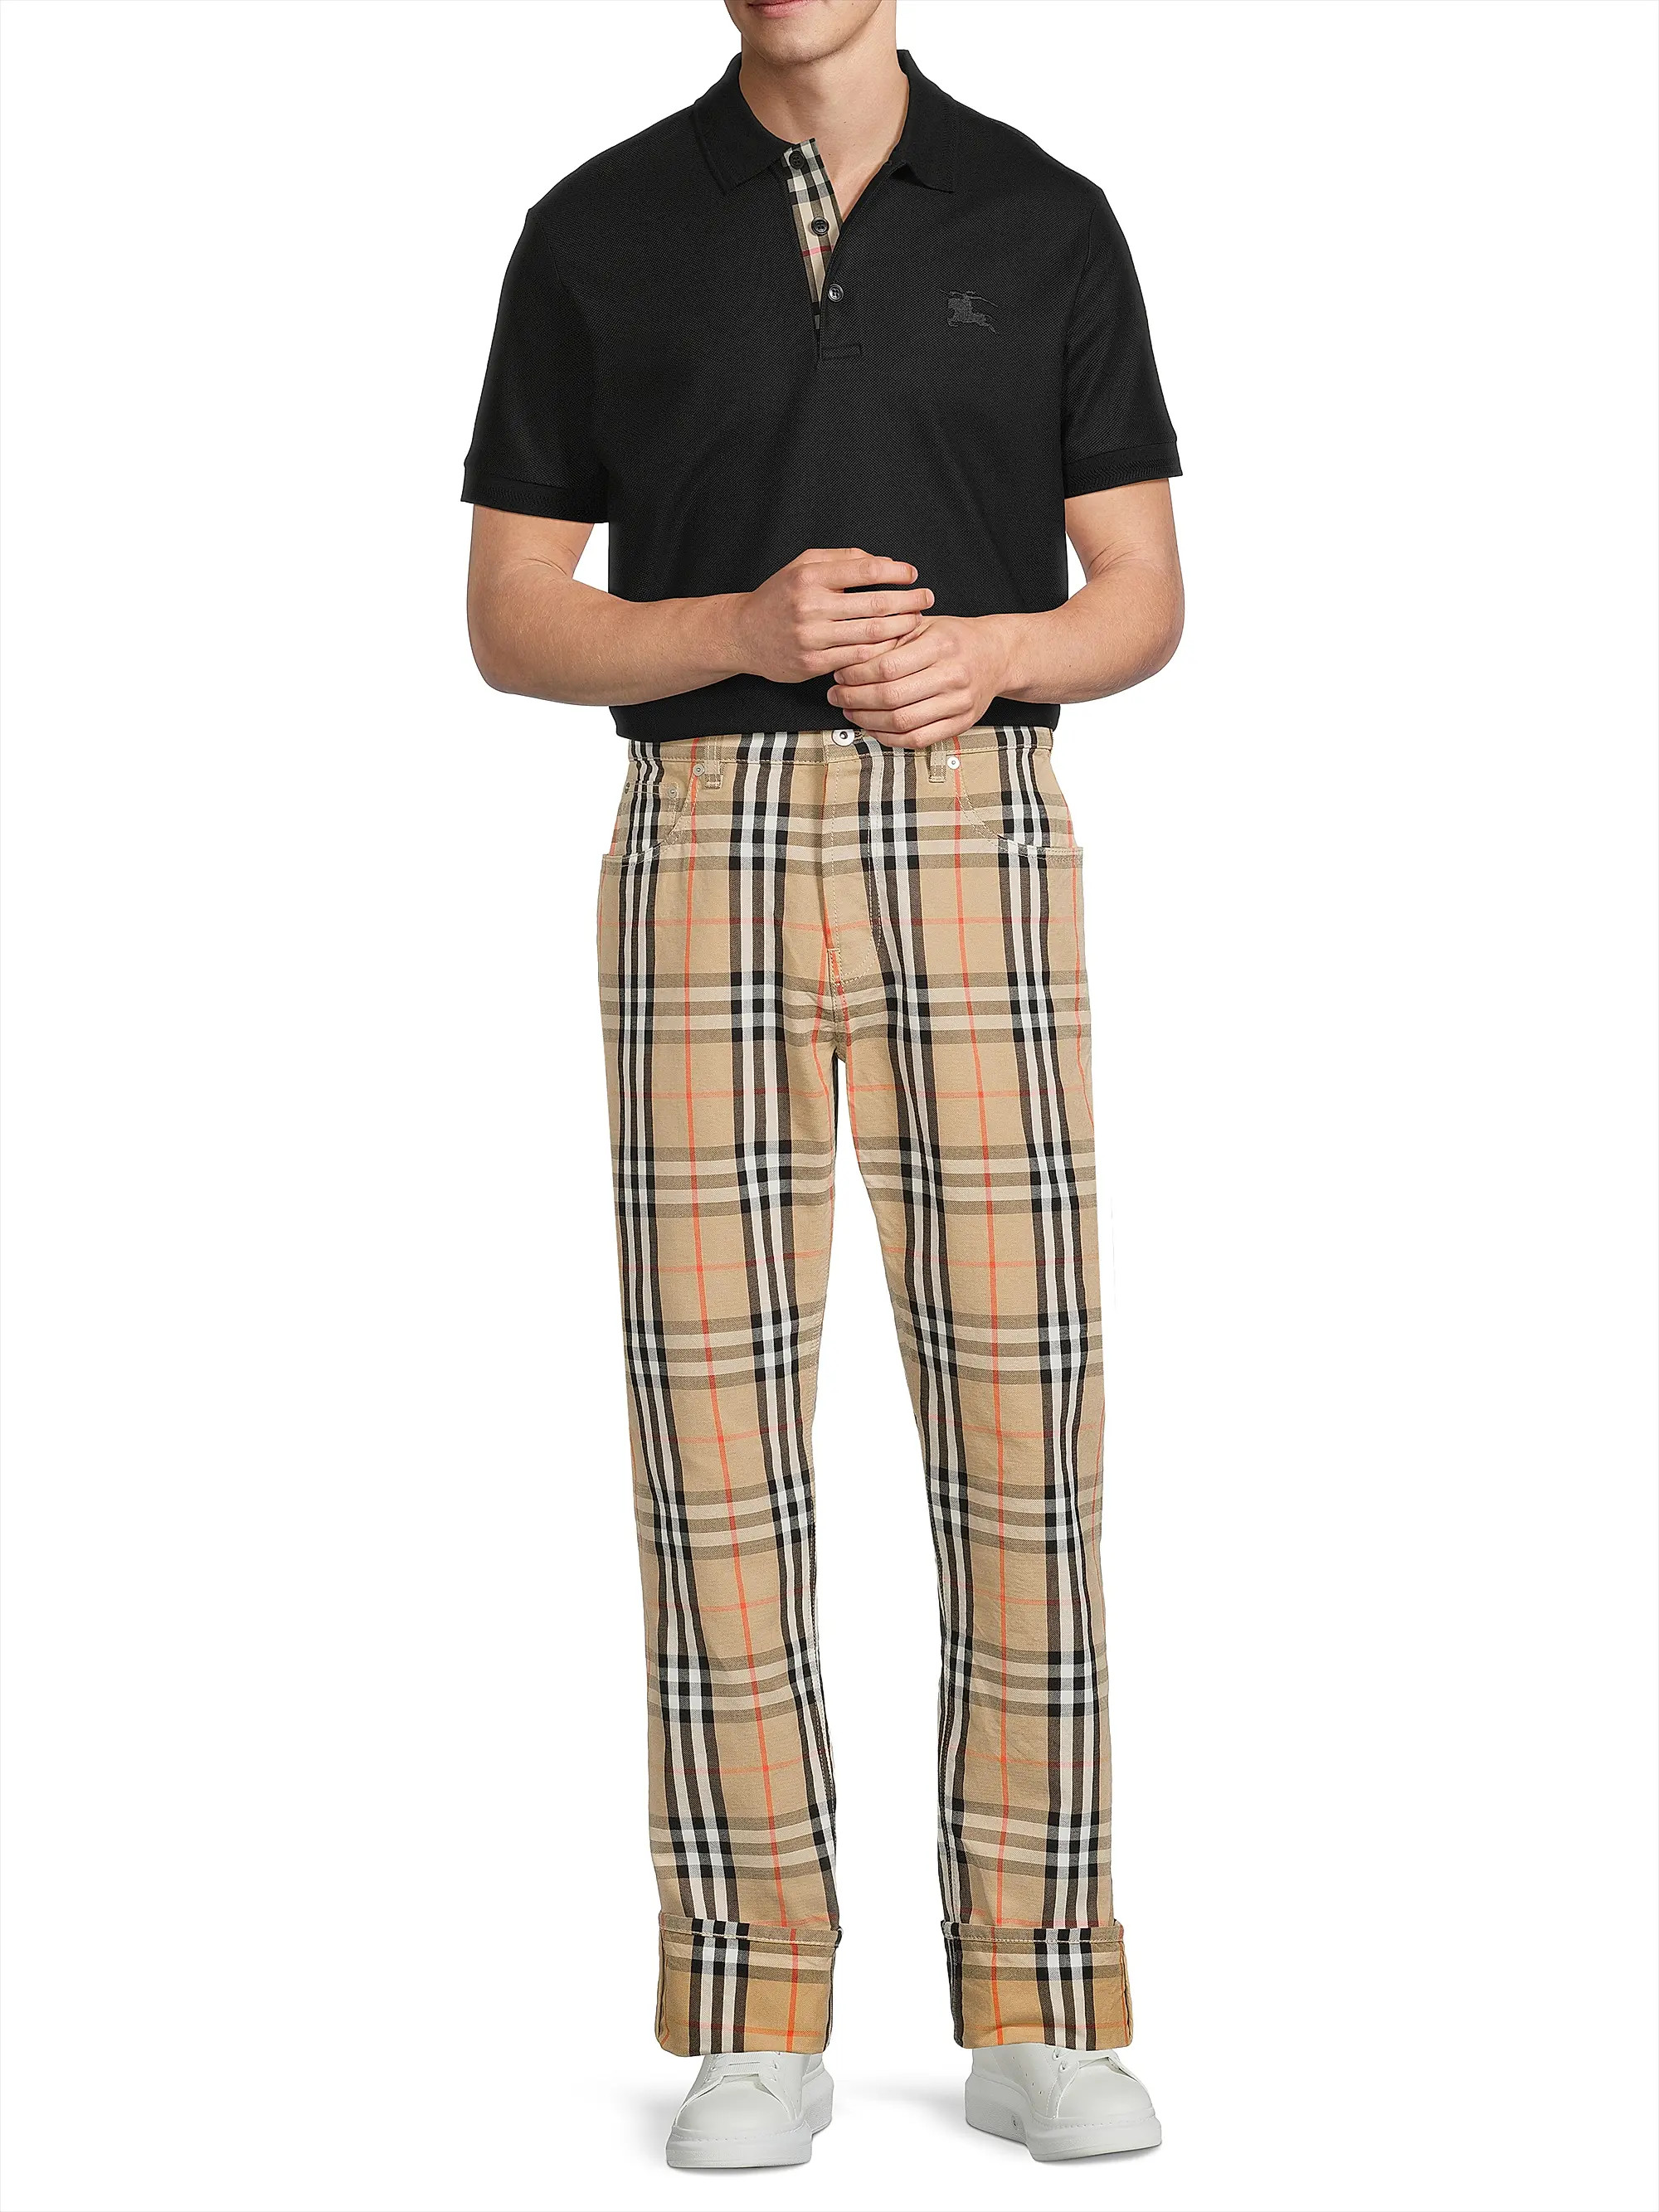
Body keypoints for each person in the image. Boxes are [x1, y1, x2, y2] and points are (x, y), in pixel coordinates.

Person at [460, 0, 1183, 2171]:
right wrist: (738, 627)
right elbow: (510, 615)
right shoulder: (597, 227)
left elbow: (1145, 592)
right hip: (703, 839)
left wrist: (1002, 650)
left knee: (1023, 1413)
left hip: (973, 822)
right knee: (713, 1425)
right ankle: (755, 1998)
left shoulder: (1043, 217)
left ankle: (1039, 1990)